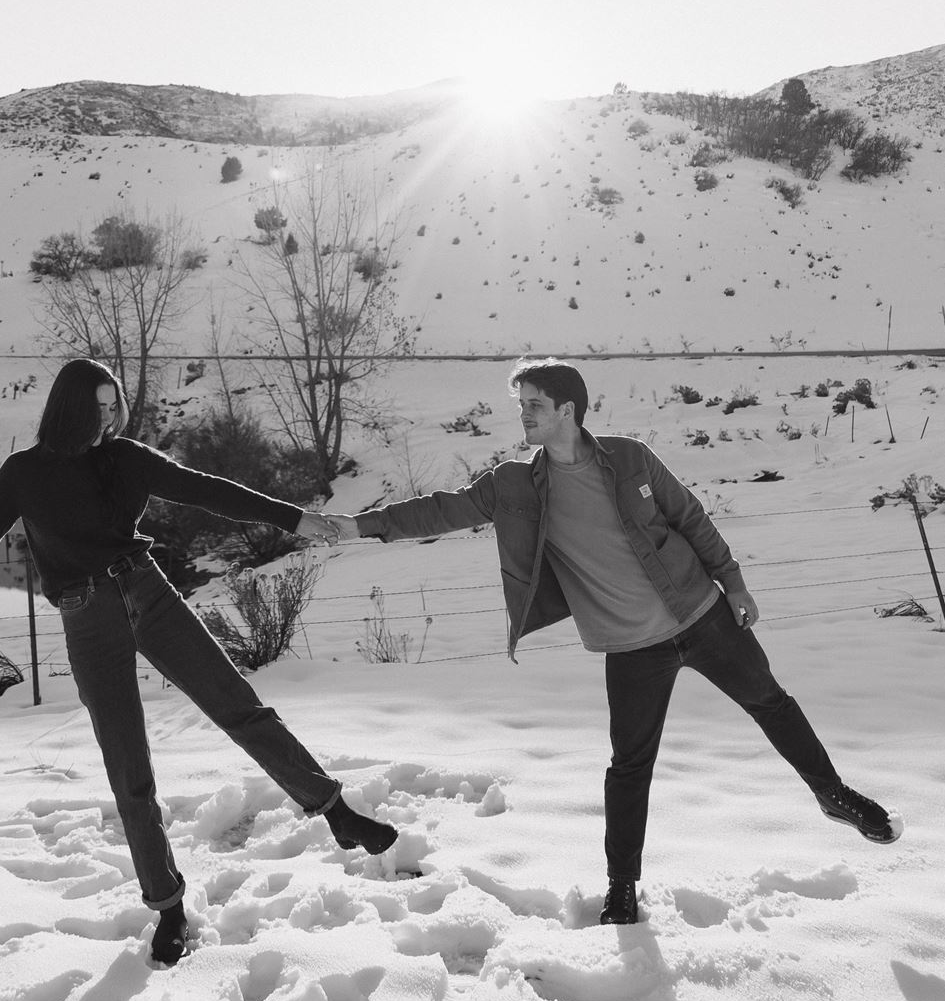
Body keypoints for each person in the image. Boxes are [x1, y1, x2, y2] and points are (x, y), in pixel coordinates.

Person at [328, 357, 896, 925]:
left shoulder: (629, 457)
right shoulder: (515, 484)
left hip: (701, 614)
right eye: (520, 405)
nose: (523, 416)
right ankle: (621, 889)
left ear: (567, 411)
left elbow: (690, 517)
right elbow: (441, 509)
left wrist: (735, 581)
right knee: (629, 766)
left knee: (771, 703)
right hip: (631, 648)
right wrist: (359, 525)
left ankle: (833, 794)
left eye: (534, 406)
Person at [0, 358, 396, 965]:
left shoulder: (127, 457)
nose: (107, 419)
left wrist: (295, 518)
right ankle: (168, 908)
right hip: (88, 617)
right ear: (69, 409)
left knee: (238, 706)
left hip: (148, 592)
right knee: (129, 765)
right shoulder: (22, 473)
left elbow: (210, 491)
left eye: (115, 407)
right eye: (96, 408)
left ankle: (337, 812)